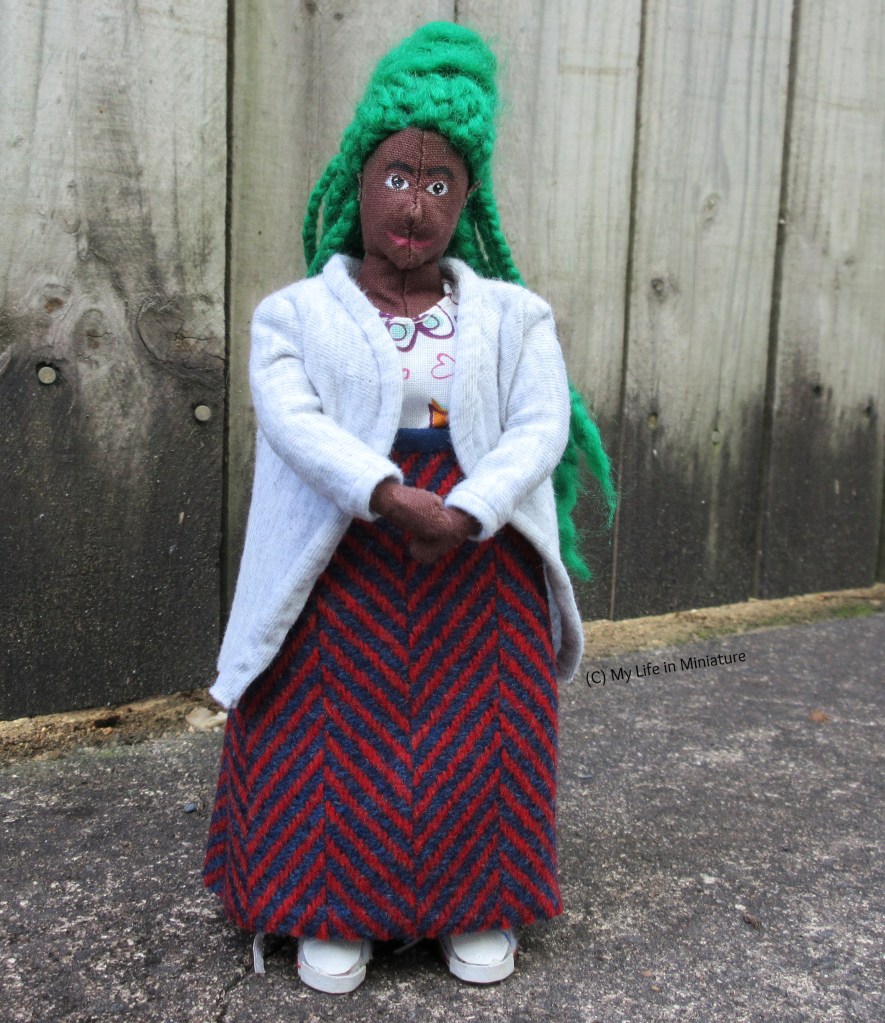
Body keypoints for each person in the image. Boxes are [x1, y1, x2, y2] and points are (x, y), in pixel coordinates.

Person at [202, 21, 615, 994]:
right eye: (396, 174)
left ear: (469, 199)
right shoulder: (293, 314)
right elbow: (295, 420)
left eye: (440, 182)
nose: (415, 203)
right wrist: (386, 495)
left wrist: (466, 510)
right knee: (323, 727)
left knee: (486, 730)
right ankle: (326, 906)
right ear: (358, 179)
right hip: (340, 552)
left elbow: (540, 424)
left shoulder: (515, 317)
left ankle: (478, 900)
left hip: (478, 556)